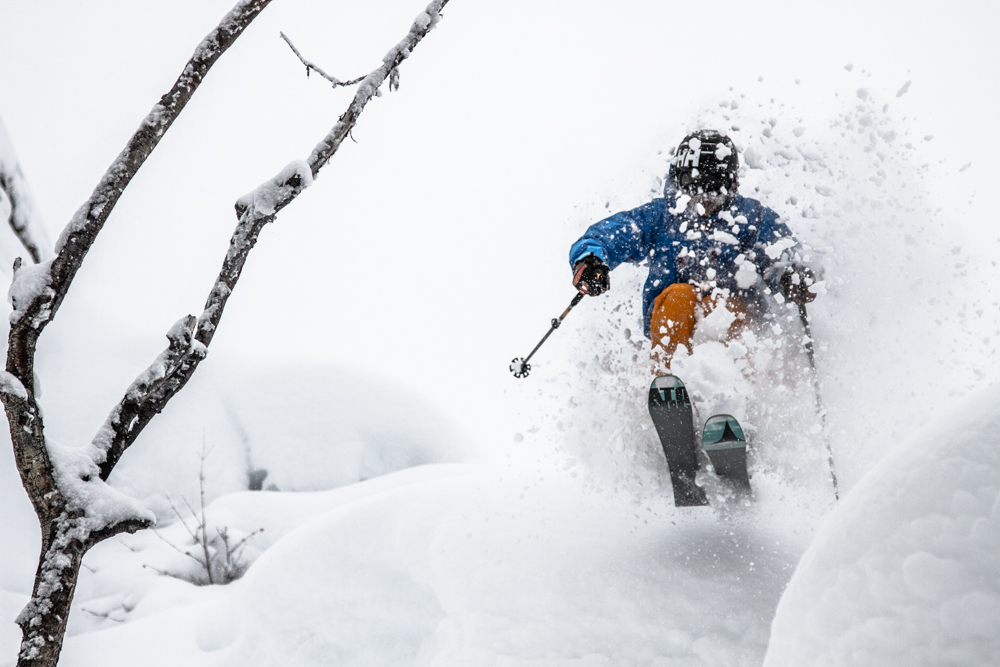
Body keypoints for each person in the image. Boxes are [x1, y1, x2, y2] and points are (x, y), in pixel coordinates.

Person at [569, 129, 817, 371]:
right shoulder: (661, 217)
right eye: (695, 186)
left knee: (725, 307)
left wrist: (791, 275)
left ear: (731, 185)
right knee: (679, 296)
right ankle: (670, 381)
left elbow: (781, 252)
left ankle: (731, 390)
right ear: (679, 181)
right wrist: (591, 260)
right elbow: (611, 234)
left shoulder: (750, 219)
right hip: (672, 314)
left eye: (716, 187)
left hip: (737, 317)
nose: (706, 197)